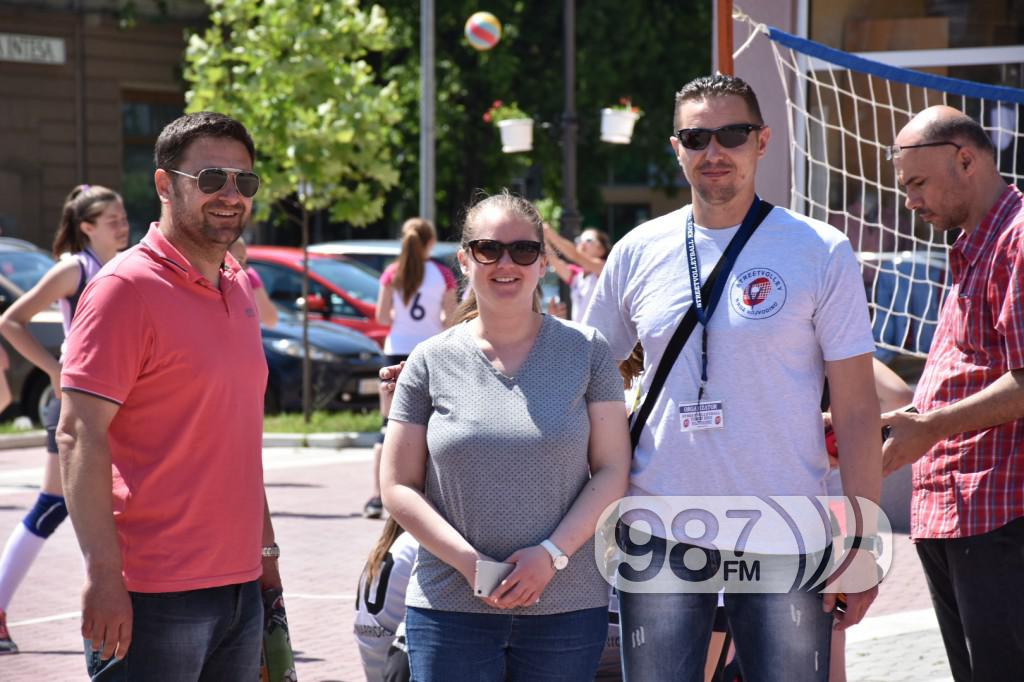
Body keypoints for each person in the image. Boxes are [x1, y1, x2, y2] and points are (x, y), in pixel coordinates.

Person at [581, 74, 883, 681]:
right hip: (660, 528)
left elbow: (855, 410)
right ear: (676, 147)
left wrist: (863, 544)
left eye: (732, 134)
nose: (713, 151)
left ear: (762, 141)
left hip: (785, 529)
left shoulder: (819, 250)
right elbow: (584, 375)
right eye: (696, 137)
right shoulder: (638, 251)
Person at [56, 111, 280, 679]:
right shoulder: (123, 289)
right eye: (211, 179)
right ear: (164, 184)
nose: (231, 195)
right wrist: (103, 575)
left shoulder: (236, 284)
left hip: (238, 587)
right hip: (151, 594)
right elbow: (78, 434)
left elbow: (237, 438)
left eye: (244, 182)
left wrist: (267, 559)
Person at [379, 191, 631, 680]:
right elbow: (397, 486)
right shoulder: (430, 361)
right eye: (488, 249)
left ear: (543, 263)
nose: (506, 263)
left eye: (524, 250)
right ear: (464, 261)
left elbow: (612, 469)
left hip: (567, 608)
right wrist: (471, 565)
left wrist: (551, 555)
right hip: (449, 606)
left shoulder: (588, 352)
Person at [880, 105, 1024, 681]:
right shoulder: (972, 242)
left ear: (966, 158)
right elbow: (972, 372)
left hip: (999, 514)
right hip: (955, 511)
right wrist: (905, 417)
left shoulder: (1016, 237)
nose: (911, 201)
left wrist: (930, 427)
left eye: (917, 183)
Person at [0, 184, 129, 655]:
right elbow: (11, 321)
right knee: (54, 506)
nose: (122, 223)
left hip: (113, 403)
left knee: (118, 507)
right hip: (75, 405)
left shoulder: (123, 264)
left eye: (122, 215)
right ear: (86, 227)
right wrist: (55, 369)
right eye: (111, 218)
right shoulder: (74, 268)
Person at [364, 217, 457, 520]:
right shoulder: (442, 274)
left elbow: (381, 316)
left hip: (395, 350)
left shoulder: (392, 273)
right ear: (430, 242)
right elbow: (450, 319)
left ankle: (378, 497)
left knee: (388, 425)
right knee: (429, 425)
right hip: (428, 354)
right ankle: (423, 495)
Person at [544, 224, 611, 321]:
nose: (582, 244)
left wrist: (549, 233)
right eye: (579, 240)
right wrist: (543, 239)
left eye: (588, 240)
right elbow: (553, 259)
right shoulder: (577, 276)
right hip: (581, 335)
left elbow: (575, 255)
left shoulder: (603, 269)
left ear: (601, 250)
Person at [230, 236, 279, 327]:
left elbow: (270, 320)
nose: (241, 269)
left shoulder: (248, 276)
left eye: (244, 262)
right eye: (239, 261)